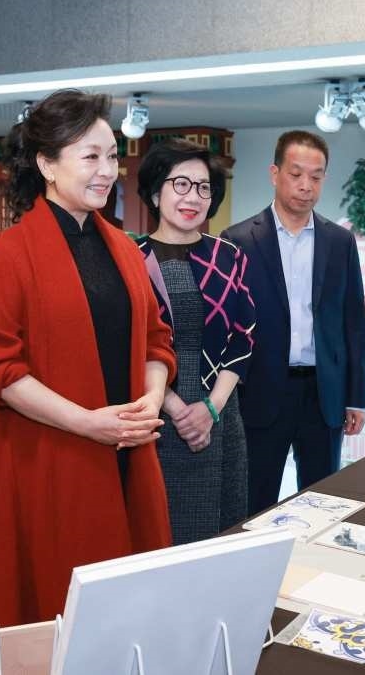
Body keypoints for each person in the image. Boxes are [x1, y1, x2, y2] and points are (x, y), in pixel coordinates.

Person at [0, 89, 176, 630]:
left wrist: (152, 399)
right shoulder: (10, 254)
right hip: (54, 457)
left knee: (129, 605)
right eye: (90, 156)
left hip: (128, 449)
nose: (107, 170)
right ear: (46, 165)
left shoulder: (124, 247)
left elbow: (156, 341)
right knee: (62, 608)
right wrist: (87, 422)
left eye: (112, 155)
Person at [221, 130, 365, 515]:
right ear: (275, 174)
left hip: (324, 394)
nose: (306, 186)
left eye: (316, 177)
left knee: (321, 502)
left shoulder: (340, 242)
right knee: (254, 501)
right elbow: (228, 328)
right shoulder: (238, 240)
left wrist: (357, 396)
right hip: (261, 392)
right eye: (296, 174)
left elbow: (353, 320)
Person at [134, 139, 254, 544]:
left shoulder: (229, 256)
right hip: (154, 416)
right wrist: (177, 409)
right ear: (156, 192)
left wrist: (211, 408)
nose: (193, 197)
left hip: (220, 416)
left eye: (204, 188)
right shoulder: (131, 258)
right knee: (159, 534)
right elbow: (129, 345)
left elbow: (244, 337)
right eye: (180, 184)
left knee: (223, 531)